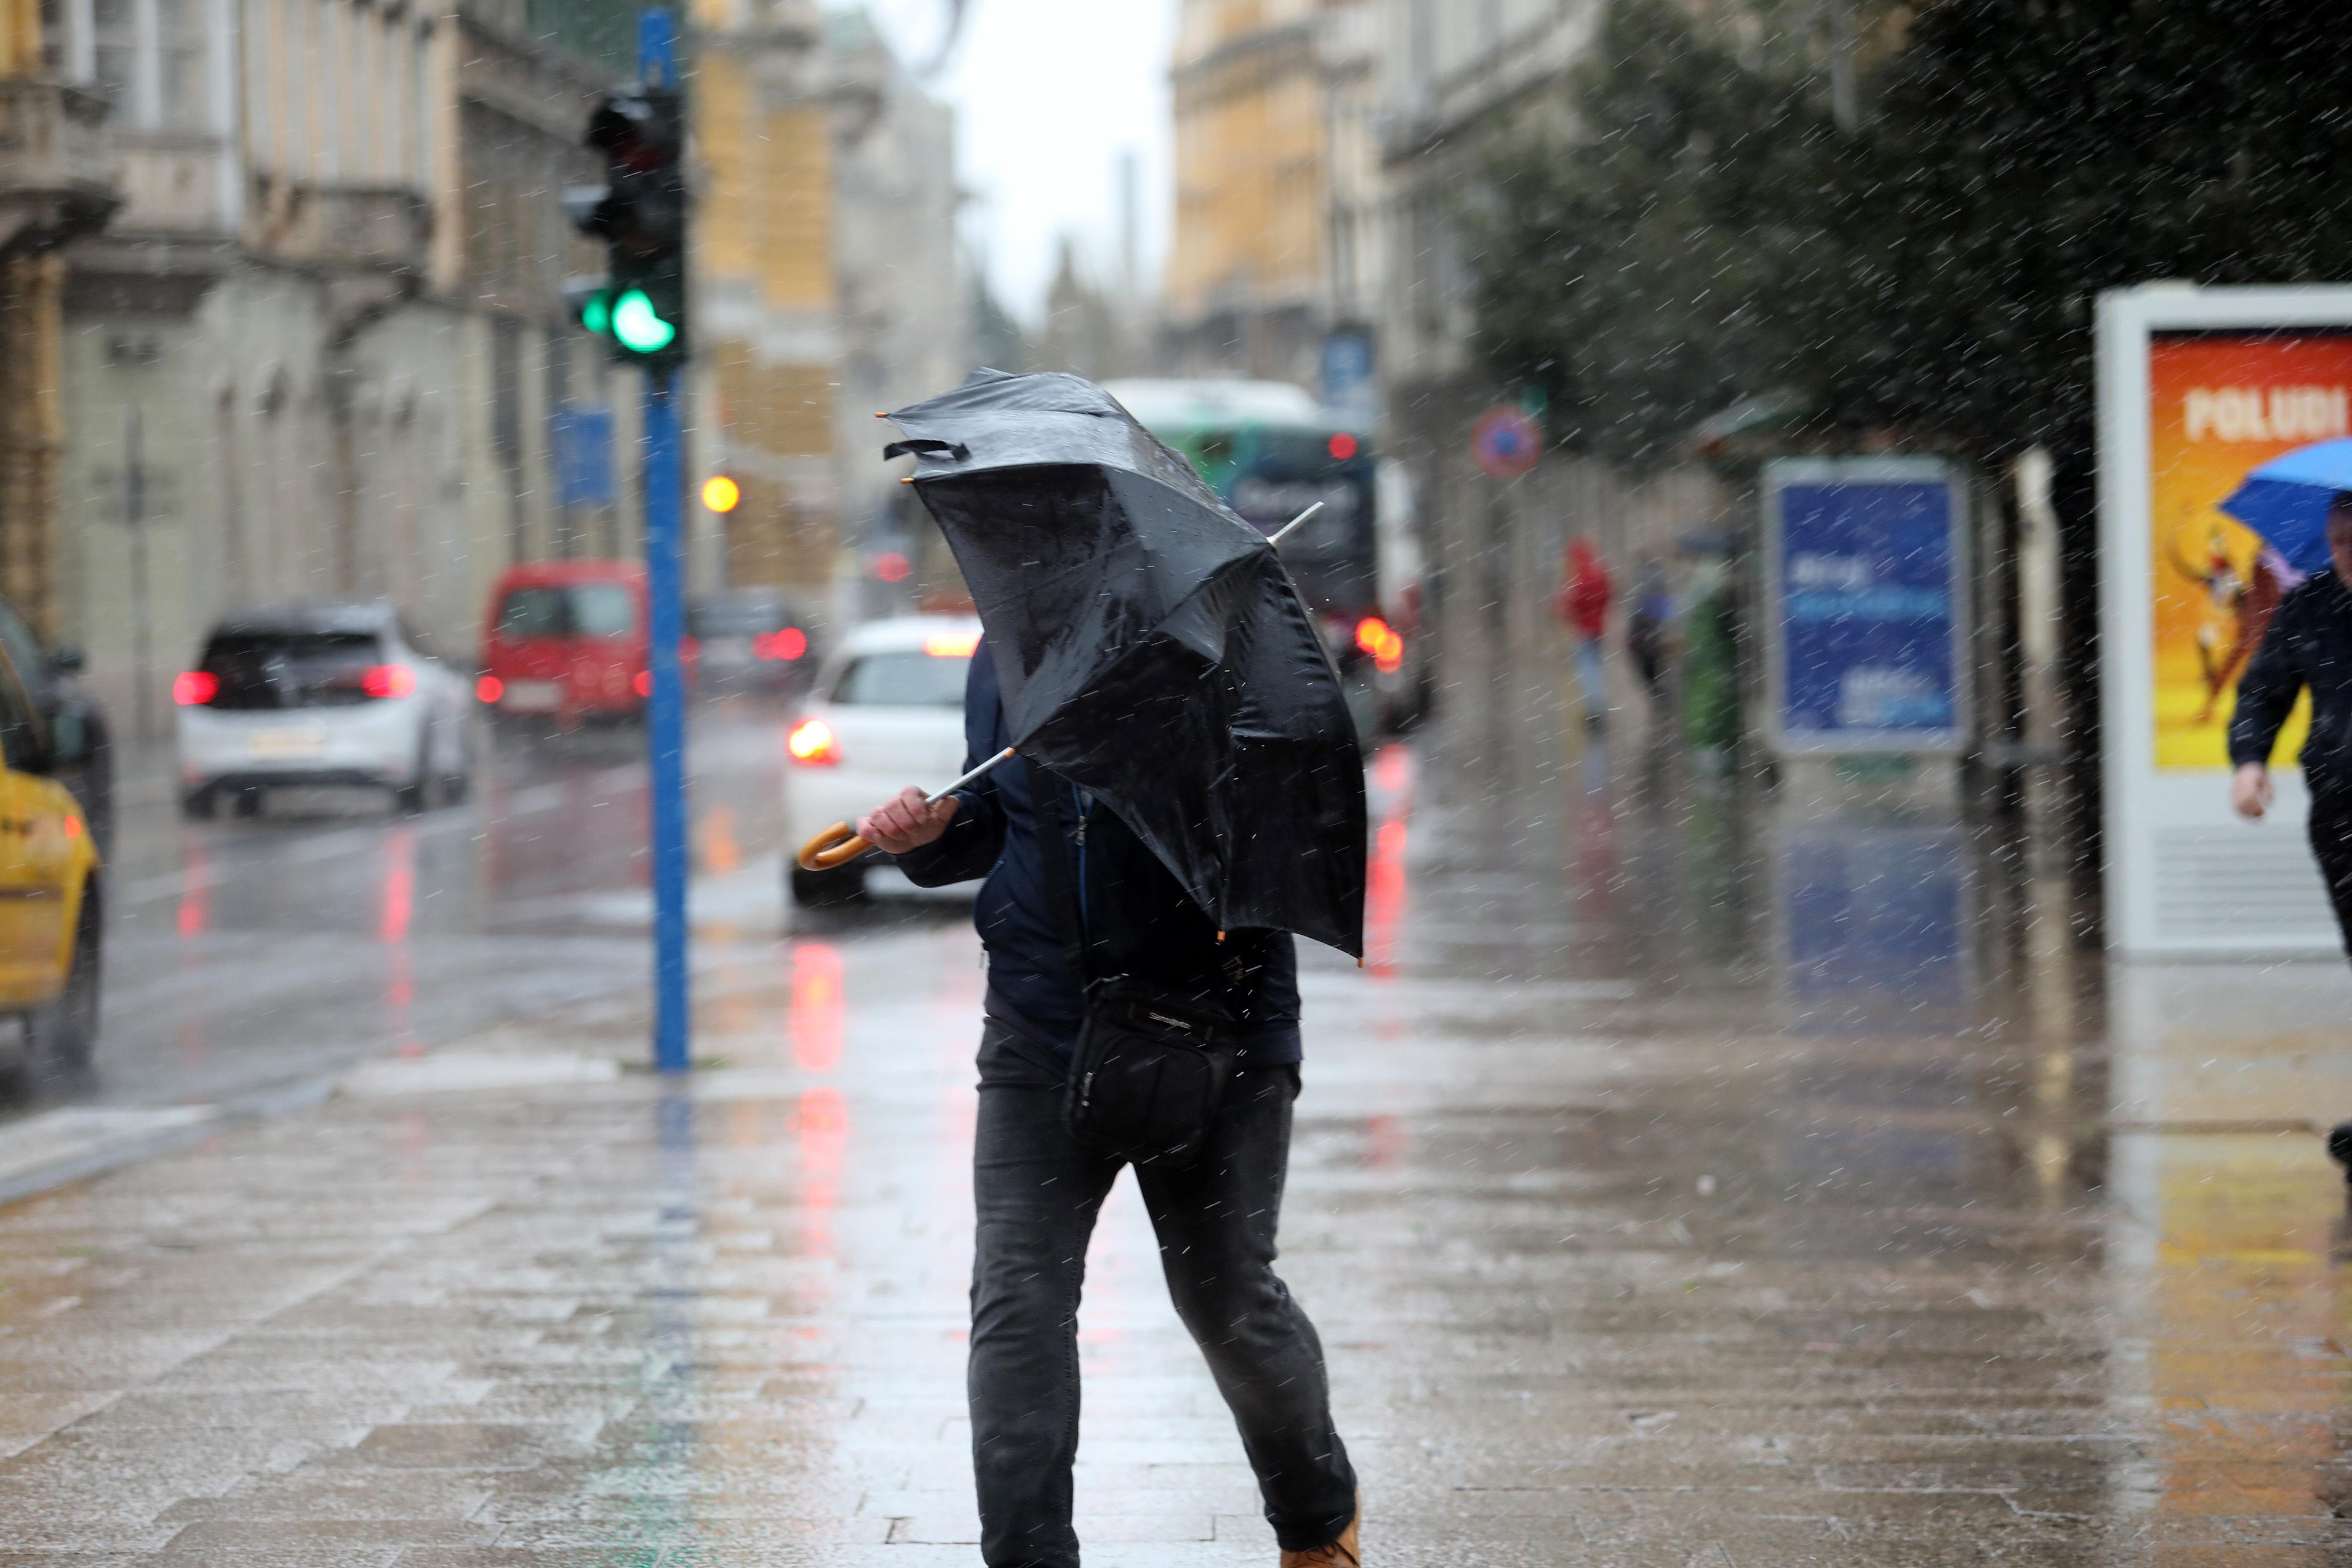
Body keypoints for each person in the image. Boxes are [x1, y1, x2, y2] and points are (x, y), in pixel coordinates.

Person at [856, 638, 1361, 1568]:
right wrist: (935, 831)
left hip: (1219, 1029)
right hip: (1042, 1029)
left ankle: (1317, 1519)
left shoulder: (1223, 648)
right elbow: (1003, 814)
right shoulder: (1008, 650)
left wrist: (1141, 731)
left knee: (1226, 1295)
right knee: (1019, 1295)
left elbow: (1284, 827)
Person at [2229, 492, 2352, 958]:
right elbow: (2263, 692)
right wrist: (2249, 760)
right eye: (2339, 541)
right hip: (2340, 804)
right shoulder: (2309, 605)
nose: (2348, 553)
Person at [1553, 536, 1614, 726]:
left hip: (1583, 631)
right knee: (1595, 668)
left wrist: (1563, 608)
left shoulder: (1579, 577)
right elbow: (1608, 594)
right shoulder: (1598, 572)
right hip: (1597, 630)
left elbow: (1572, 602)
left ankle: (1593, 708)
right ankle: (1598, 705)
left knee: (1588, 669)